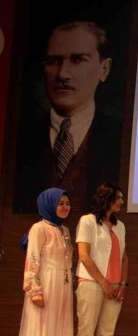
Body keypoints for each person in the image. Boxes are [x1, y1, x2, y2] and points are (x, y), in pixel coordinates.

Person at [14, 21, 121, 214]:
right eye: (53, 61)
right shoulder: (17, 138)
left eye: (78, 60)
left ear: (104, 69)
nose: (63, 74)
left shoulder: (122, 139)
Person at [7, 188, 74, 336]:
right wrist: (34, 289)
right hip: (45, 285)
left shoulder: (65, 230)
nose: (65, 207)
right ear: (49, 204)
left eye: (67, 203)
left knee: (58, 331)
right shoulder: (39, 228)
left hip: (62, 288)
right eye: (60, 203)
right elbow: (32, 259)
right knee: (42, 331)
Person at [75, 183, 128, 336]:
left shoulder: (120, 226)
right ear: (107, 198)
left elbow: (124, 257)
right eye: (118, 197)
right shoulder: (87, 221)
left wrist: (123, 284)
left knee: (106, 335)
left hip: (115, 286)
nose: (122, 201)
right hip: (91, 284)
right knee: (86, 334)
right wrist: (103, 283)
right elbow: (84, 255)